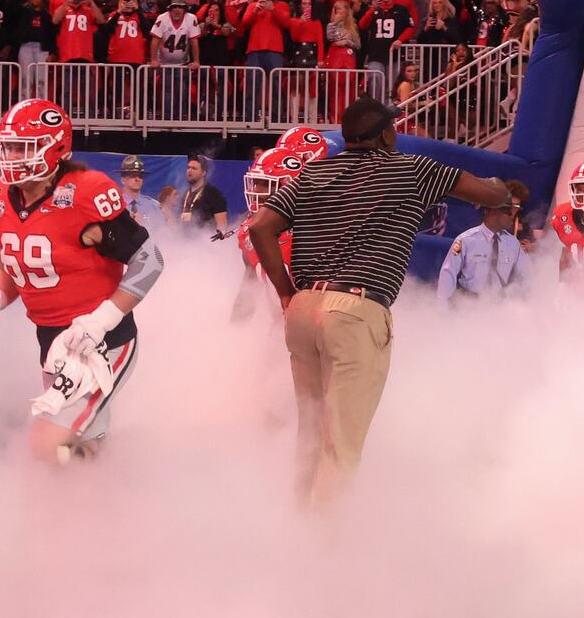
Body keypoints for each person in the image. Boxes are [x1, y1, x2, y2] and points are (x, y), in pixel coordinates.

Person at [248, 95, 511, 508]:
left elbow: (261, 226)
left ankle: (293, 532)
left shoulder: (313, 174)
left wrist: (285, 293)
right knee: (341, 447)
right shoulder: (412, 168)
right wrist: (501, 188)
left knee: (311, 436)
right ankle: (319, 557)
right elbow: (490, 196)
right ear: (387, 134)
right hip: (355, 309)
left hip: (303, 307)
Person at [0, 98, 164, 463]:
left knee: (48, 441)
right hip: (51, 340)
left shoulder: (85, 193)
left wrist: (101, 319)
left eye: (23, 147)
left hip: (103, 341)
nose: (12, 156)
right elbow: (11, 266)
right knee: (86, 443)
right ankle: (110, 506)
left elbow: (149, 260)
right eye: (8, 146)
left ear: (55, 149)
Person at [232, 147, 304, 321]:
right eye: (255, 182)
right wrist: (233, 332)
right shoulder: (250, 230)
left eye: (265, 183)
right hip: (281, 326)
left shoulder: (308, 228)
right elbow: (248, 291)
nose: (256, 190)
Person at [437, 180, 530, 302]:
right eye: (507, 210)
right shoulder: (465, 240)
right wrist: (443, 310)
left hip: (498, 307)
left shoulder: (513, 244)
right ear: (493, 210)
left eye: (515, 208)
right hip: (468, 305)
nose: (511, 213)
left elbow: (528, 276)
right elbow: (448, 274)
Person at [180, 154, 228, 236]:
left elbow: (222, 226)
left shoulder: (214, 194)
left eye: (194, 168)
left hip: (204, 244)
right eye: (188, 167)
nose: (189, 170)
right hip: (185, 243)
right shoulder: (185, 194)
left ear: (203, 173)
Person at [117, 156, 164, 228]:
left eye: (140, 176)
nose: (137, 179)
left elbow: (163, 233)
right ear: (123, 180)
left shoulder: (153, 206)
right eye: (132, 175)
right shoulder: (115, 205)